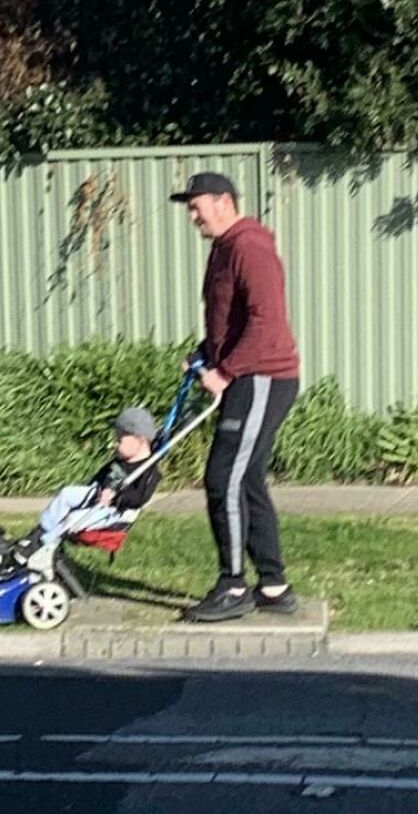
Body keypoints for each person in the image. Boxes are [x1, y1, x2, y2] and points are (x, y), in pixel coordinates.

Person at [170, 172, 300, 622]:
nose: (191, 215)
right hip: (247, 375)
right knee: (246, 479)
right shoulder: (223, 249)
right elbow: (233, 319)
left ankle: (232, 585)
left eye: (196, 206)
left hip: (263, 377)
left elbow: (266, 320)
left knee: (222, 476)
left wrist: (225, 371)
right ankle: (274, 585)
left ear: (223, 201)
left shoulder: (249, 247)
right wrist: (206, 354)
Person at [13, 407, 161, 577]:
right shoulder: (120, 461)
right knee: (67, 493)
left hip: (115, 514)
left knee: (72, 519)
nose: (114, 443)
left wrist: (115, 497)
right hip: (96, 496)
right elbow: (100, 477)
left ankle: (41, 546)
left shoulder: (149, 472)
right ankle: (39, 532)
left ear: (140, 441)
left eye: (119, 440)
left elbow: (139, 499)